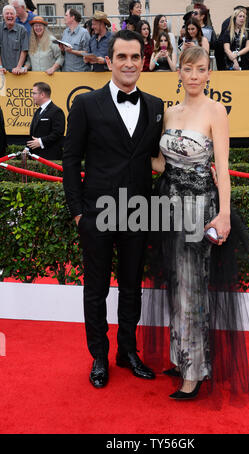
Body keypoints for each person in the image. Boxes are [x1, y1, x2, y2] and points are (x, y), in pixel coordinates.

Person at [147, 46, 249, 400]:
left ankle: (194, 371)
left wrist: (223, 214)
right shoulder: (169, 112)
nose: (193, 75)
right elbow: (161, 164)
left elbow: (221, 168)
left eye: (200, 69)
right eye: (188, 68)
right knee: (174, 283)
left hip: (198, 208)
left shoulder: (215, 110)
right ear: (179, 70)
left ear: (209, 73)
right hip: (167, 207)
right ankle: (181, 356)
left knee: (193, 286)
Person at [62, 30, 164, 389]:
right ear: (109, 61)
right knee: (96, 289)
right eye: (122, 57)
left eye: (135, 57)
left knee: (133, 286)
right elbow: (71, 159)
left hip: (139, 211)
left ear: (143, 61)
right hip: (97, 212)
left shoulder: (155, 105)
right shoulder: (86, 104)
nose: (129, 63)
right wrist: (78, 210)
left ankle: (127, 351)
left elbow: (156, 159)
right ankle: (99, 356)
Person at [27, 82, 65, 160]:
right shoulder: (38, 111)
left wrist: (41, 142)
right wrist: (27, 149)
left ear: (42, 95)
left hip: (50, 157)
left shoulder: (56, 111)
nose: (32, 96)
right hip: (35, 157)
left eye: (34, 93)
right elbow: (33, 134)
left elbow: (58, 133)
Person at [214, 5, 247, 70]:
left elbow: (247, 47)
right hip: (227, 58)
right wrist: (234, 60)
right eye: (240, 16)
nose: (243, 18)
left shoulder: (246, 31)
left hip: (240, 59)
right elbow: (226, 47)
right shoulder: (228, 26)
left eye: (244, 16)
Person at [0, 5, 28, 75]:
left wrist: (18, 67)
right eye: (7, 13)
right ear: (3, 16)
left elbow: (24, 50)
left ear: (15, 16)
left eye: (12, 13)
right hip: (2, 72)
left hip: (17, 72)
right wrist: (0, 66)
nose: (9, 15)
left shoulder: (22, 30)